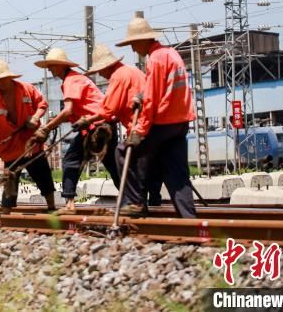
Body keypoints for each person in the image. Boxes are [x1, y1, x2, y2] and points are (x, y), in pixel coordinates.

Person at [115, 15, 197, 218]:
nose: (133, 49)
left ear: (143, 39)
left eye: (133, 43)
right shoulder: (171, 54)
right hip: (180, 122)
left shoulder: (155, 59)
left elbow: (152, 99)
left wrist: (139, 131)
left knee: (124, 152)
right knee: (177, 173)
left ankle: (135, 203)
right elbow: (160, 88)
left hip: (163, 122)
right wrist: (141, 96)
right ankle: (190, 219)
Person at [73, 44, 147, 215]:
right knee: (150, 166)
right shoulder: (132, 70)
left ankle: (133, 202)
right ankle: (149, 202)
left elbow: (108, 109)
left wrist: (87, 120)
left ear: (106, 66)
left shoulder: (118, 76)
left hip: (140, 125)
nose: (100, 74)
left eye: (100, 70)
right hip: (149, 123)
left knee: (122, 157)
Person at [0, 58, 56, 214]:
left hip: (31, 145)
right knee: (10, 182)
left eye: (2, 79)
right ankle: (6, 214)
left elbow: (42, 105)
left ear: (9, 77)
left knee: (43, 176)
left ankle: (52, 207)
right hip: (10, 149)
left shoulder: (27, 89)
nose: (0, 82)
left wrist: (35, 117)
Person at [31, 48, 104, 213]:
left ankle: (69, 204)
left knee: (71, 161)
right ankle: (133, 200)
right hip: (100, 125)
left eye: (51, 66)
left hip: (95, 126)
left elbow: (68, 110)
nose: (49, 70)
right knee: (113, 165)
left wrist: (48, 127)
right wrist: (53, 122)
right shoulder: (75, 78)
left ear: (59, 66)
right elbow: (71, 113)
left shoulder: (71, 80)